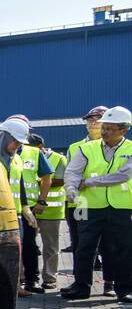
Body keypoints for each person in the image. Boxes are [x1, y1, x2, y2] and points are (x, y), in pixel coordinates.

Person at [62, 106, 132, 302]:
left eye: (110, 128)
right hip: (90, 206)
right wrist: (72, 189)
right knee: (85, 247)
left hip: (122, 207)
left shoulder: (131, 149)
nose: (104, 132)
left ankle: (124, 289)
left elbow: (123, 175)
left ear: (124, 130)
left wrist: (90, 182)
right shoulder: (86, 148)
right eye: (104, 128)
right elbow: (73, 171)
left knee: (122, 249)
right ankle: (81, 287)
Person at [0, 117, 33, 297]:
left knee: (15, 252)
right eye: (15, 142)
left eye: (19, 143)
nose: (16, 146)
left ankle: (14, 286)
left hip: (14, 215)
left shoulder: (16, 159)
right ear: (4, 137)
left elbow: (20, 185)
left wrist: (26, 209)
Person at [64, 106, 107, 259]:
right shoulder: (75, 147)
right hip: (80, 202)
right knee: (80, 242)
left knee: (108, 244)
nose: (93, 123)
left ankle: (108, 277)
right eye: (90, 120)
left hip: (107, 203)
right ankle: (80, 279)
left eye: (97, 119)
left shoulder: (116, 146)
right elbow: (70, 174)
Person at [18, 132, 56, 294]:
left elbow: (47, 178)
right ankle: (14, 281)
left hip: (29, 208)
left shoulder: (33, 152)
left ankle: (31, 280)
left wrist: (41, 200)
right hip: (3, 207)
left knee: (29, 246)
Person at [32, 134, 67, 290]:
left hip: (51, 210)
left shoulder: (59, 159)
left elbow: (60, 180)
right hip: (30, 209)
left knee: (51, 247)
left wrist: (40, 182)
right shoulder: (24, 158)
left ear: (39, 147)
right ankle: (28, 276)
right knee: (28, 246)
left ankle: (50, 278)